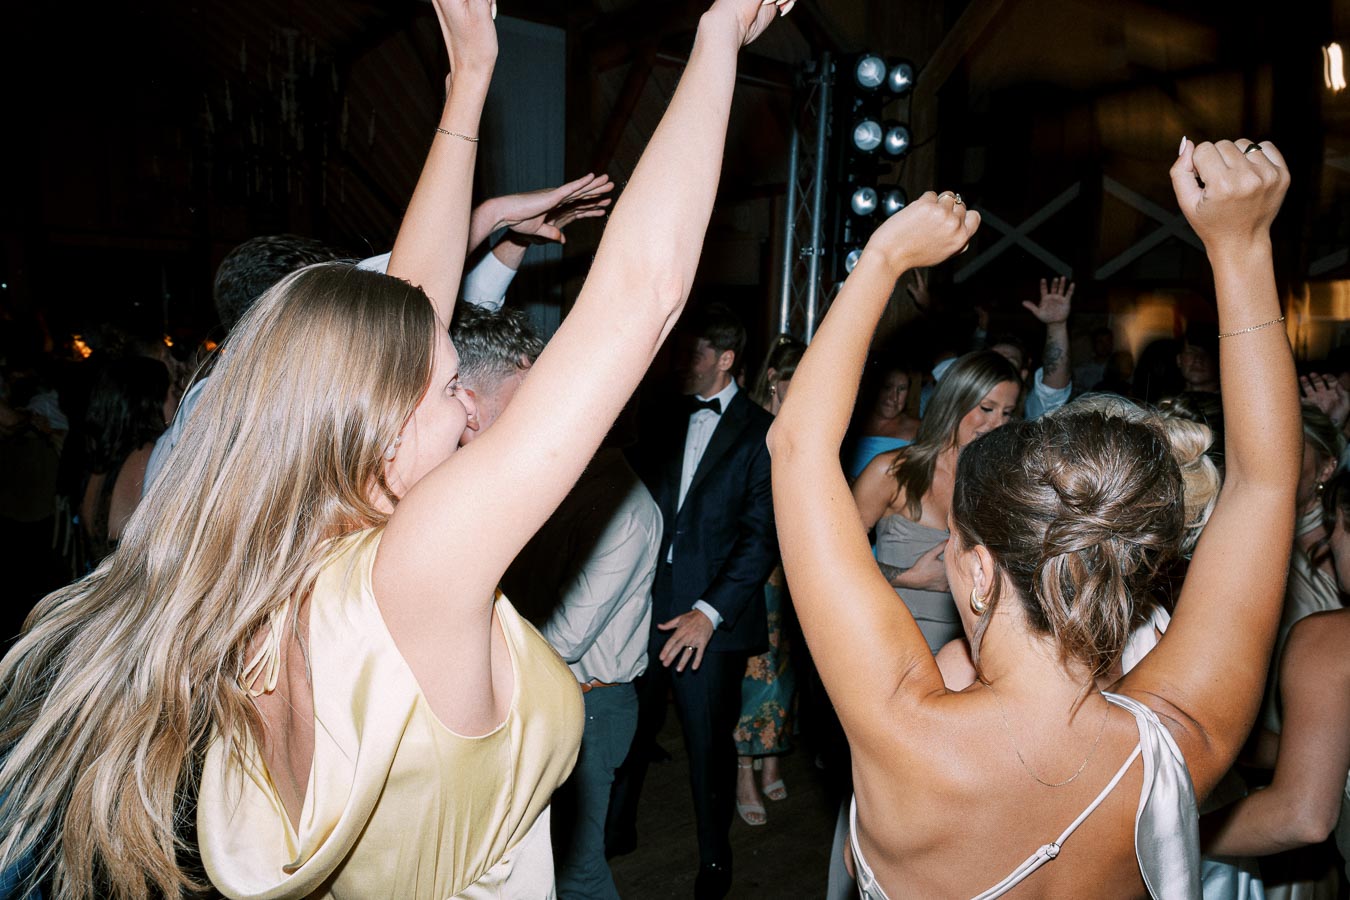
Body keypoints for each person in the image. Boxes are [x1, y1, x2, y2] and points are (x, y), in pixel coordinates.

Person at [0, 1, 789, 897]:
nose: (470, 412)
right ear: (376, 433)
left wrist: (468, 90)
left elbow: (406, 314)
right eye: (454, 387)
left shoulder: (267, 562)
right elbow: (638, 298)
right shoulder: (411, 576)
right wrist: (718, 37)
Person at [770, 135, 1297, 898]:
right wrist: (1243, 247)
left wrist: (883, 260)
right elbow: (1265, 484)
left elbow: (796, 446)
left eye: (956, 544)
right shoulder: (1180, 741)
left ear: (981, 570)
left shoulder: (901, 731)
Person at [452, 305, 659, 900]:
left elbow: (563, 637)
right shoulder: (554, 484)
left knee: (577, 869)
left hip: (592, 706)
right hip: (545, 693)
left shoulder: (628, 511)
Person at [608, 302, 778, 899]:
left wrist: (708, 614)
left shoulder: (762, 432)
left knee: (708, 744)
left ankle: (713, 857)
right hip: (642, 605)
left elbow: (763, 538)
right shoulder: (659, 417)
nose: (685, 362)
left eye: (696, 352)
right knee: (630, 727)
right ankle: (616, 828)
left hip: (710, 620)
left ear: (725, 359)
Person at [1203, 471, 1350, 896]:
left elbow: (1301, 816)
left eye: (1335, 524)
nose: (1327, 540)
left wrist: (1164, 839)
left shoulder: (1330, 638)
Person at [851, 350, 1021, 654]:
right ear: (955, 401)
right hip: (887, 654)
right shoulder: (893, 471)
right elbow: (830, 562)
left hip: (966, 664)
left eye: (1007, 413)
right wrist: (908, 578)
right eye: (986, 408)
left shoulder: (1000, 487)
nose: (997, 424)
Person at [733, 335, 803, 826]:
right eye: (793, 380)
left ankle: (773, 754)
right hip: (756, 563)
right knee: (755, 665)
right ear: (775, 381)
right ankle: (743, 768)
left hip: (797, 563)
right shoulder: (750, 427)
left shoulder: (813, 428)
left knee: (787, 666)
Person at [843, 362, 919, 480]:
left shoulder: (919, 429)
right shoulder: (850, 425)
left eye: (902, 389)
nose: (894, 397)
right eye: (887, 387)